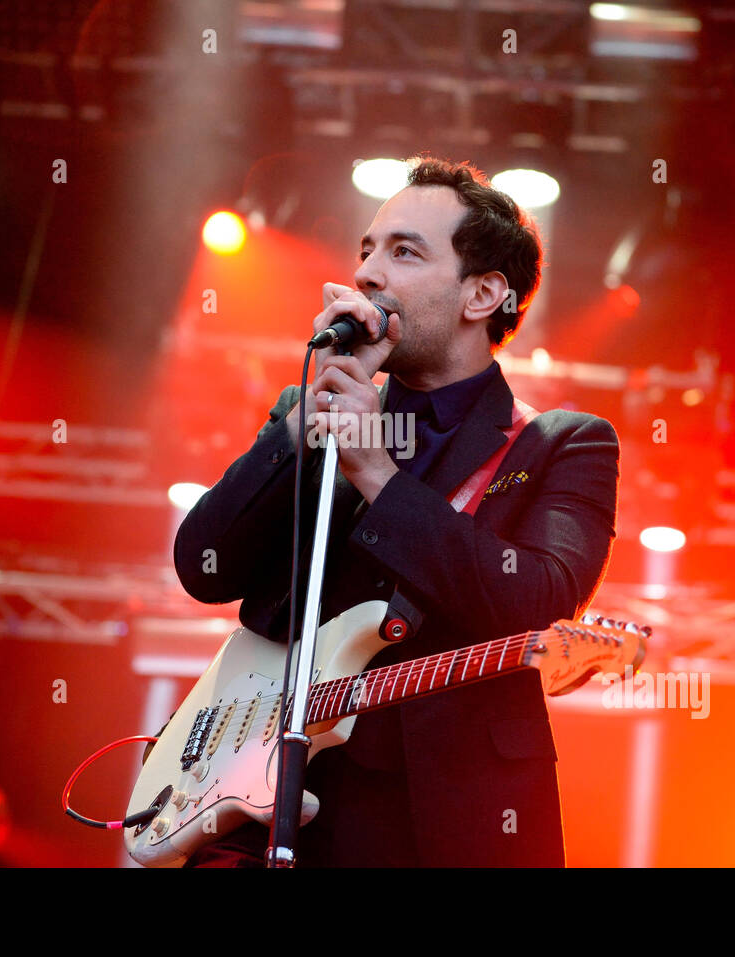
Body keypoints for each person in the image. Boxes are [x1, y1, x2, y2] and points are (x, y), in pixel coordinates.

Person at [171, 155, 620, 866]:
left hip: (449, 818)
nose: (369, 274)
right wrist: (302, 428)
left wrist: (379, 475)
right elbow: (205, 566)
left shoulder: (562, 444)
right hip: (264, 803)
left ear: (483, 294)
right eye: (367, 251)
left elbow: (534, 599)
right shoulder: (314, 411)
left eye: (404, 251)